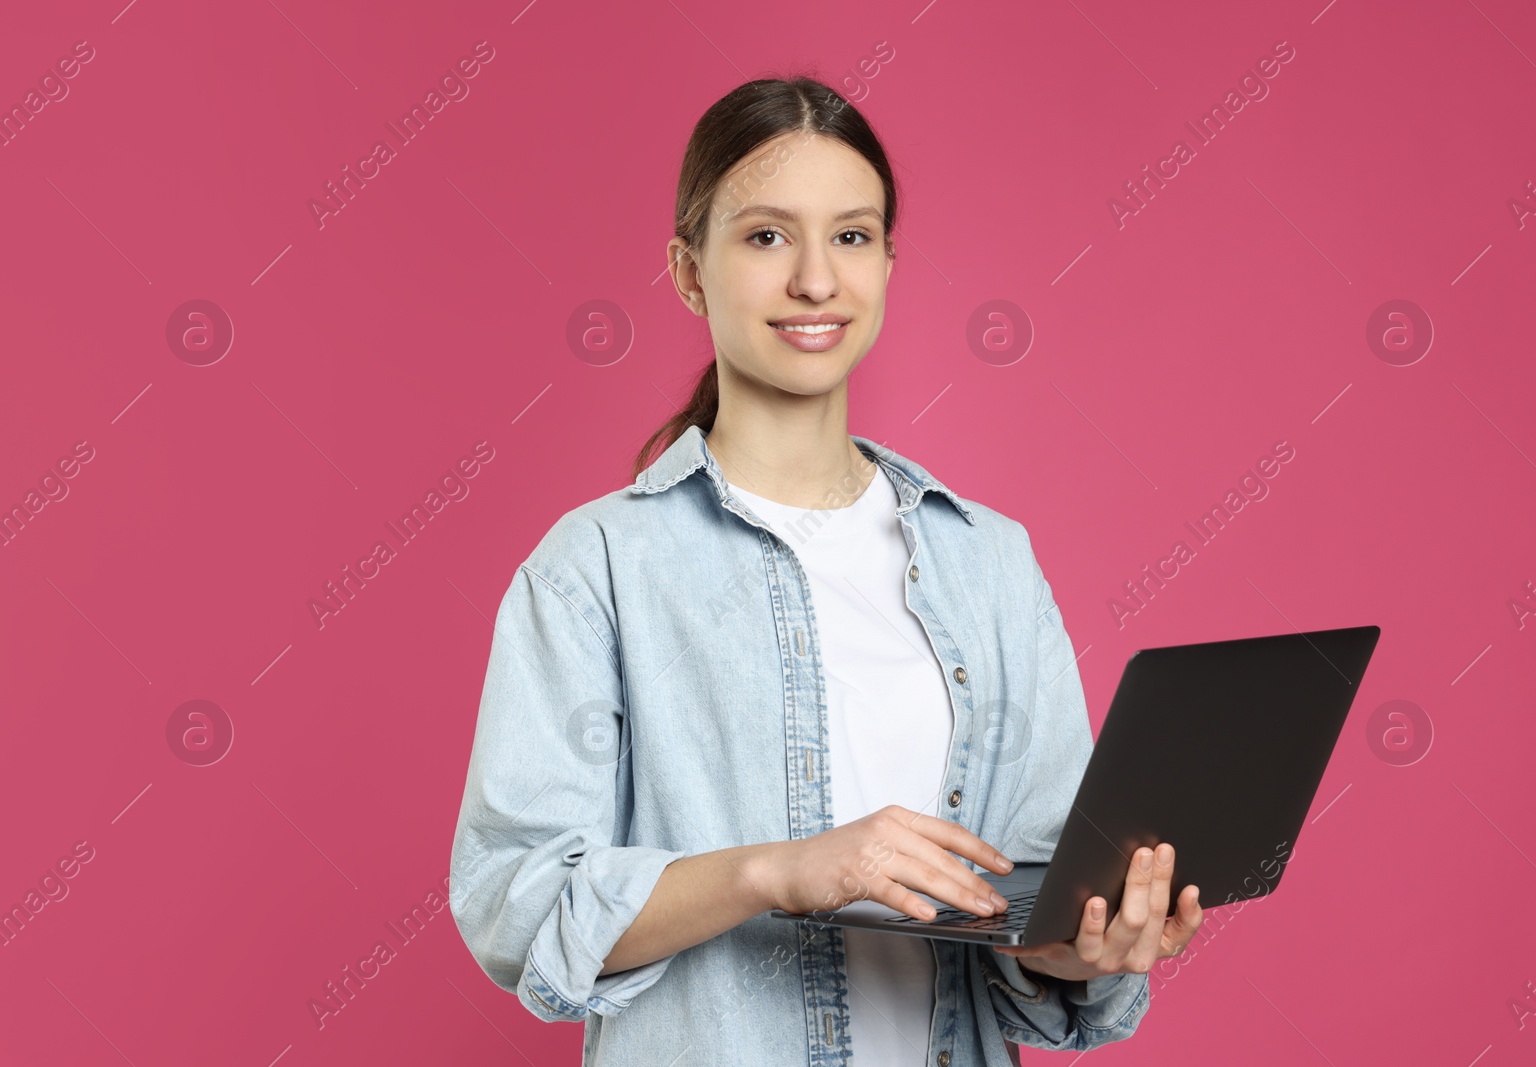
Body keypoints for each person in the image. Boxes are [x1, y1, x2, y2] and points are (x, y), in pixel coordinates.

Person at [448, 75, 1205, 1066]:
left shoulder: (990, 562)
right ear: (687, 270)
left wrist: (1085, 945)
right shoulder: (597, 567)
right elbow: (519, 900)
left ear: (889, 261)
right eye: (765, 236)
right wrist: (777, 869)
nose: (815, 280)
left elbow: (1036, 891)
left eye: (851, 236)